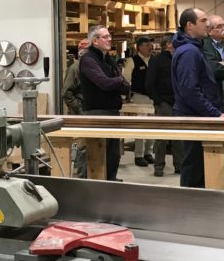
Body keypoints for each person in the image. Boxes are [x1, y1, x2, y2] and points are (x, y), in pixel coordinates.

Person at [172, 8, 224, 188]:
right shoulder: (190, 52)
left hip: (198, 116)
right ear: (190, 25)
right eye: (203, 20)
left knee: (199, 168)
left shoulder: (195, 49)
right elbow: (190, 90)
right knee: (194, 169)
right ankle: (190, 210)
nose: (208, 24)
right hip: (193, 118)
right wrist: (215, 114)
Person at [79, 25, 130, 181]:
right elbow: (104, 83)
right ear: (95, 41)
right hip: (97, 113)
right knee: (96, 154)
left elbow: (125, 86)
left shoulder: (108, 59)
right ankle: (89, 186)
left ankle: (110, 183)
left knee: (113, 153)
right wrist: (119, 80)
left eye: (109, 36)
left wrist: (119, 82)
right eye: (105, 37)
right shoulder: (88, 60)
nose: (110, 39)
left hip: (112, 111)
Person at [145, 36, 182, 177]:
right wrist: (158, 101)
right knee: (161, 136)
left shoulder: (177, 59)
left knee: (178, 136)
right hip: (164, 103)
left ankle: (179, 165)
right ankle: (159, 166)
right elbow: (149, 83)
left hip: (177, 102)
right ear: (169, 44)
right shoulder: (157, 60)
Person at [122, 37, 155, 167]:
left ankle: (148, 153)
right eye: (147, 45)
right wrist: (124, 97)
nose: (150, 47)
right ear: (139, 47)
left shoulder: (154, 60)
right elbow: (126, 80)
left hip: (153, 98)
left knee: (153, 127)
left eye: (150, 45)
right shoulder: (132, 61)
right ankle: (139, 155)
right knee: (140, 126)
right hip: (139, 97)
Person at [61, 38, 90, 178]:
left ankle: (87, 174)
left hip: (89, 111)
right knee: (82, 146)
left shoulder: (90, 67)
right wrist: (79, 109)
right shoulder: (75, 68)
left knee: (89, 145)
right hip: (81, 112)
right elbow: (66, 93)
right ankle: (81, 177)